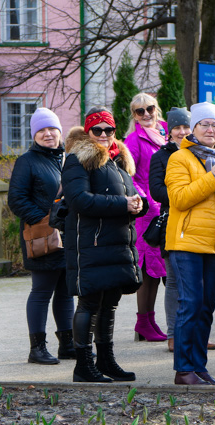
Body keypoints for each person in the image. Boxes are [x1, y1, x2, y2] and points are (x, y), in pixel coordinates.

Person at [165, 102, 215, 386]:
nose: (211, 129)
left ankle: (199, 368)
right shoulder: (180, 159)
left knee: (206, 307)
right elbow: (180, 199)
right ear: (194, 129)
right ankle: (184, 369)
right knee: (190, 304)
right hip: (187, 243)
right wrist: (214, 177)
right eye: (205, 124)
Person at [62, 107, 146, 382]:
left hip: (116, 242)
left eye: (109, 130)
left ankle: (107, 361)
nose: (103, 135)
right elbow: (79, 201)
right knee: (89, 303)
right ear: (88, 132)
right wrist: (123, 203)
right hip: (91, 243)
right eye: (97, 130)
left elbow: (132, 195)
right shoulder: (78, 159)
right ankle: (84, 366)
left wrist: (138, 204)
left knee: (109, 303)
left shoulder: (117, 161)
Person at [148, 108, 215, 354]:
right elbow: (157, 190)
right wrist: (188, 196)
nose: (182, 132)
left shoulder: (206, 154)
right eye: (176, 128)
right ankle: (173, 334)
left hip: (203, 226)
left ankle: (199, 334)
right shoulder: (163, 157)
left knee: (201, 286)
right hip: (175, 223)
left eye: (185, 127)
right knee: (175, 282)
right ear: (169, 132)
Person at [7, 108, 75, 365]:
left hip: (66, 237)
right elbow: (16, 199)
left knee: (66, 291)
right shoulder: (28, 161)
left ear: (60, 131)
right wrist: (45, 221)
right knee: (41, 291)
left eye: (52, 129)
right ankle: (37, 348)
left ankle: (67, 345)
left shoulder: (66, 158)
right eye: (41, 130)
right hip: (42, 237)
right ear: (34, 135)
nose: (48, 134)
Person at [124, 93, 168, 343]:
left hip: (165, 208)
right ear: (134, 115)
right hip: (147, 213)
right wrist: (148, 202)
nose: (146, 114)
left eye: (149, 108)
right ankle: (143, 322)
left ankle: (150, 321)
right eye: (139, 111)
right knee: (148, 269)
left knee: (160, 267)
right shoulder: (133, 140)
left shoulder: (165, 134)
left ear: (156, 108)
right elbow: (130, 177)